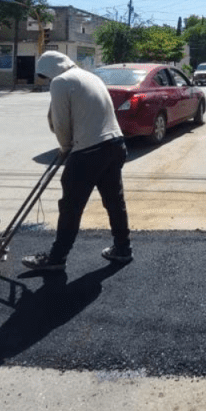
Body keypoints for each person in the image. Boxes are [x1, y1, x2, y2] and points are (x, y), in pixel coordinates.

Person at [22, 51, 133, 271]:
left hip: (89, 151)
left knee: (71, 206)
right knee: (114, 201)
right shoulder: (91, 76)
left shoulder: (61, 82)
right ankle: (123, 249)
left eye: (46, 76)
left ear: (50, 70)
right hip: (115, 144)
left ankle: (56, 258)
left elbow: (61, 123)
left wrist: (65, 147)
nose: (48, 81)